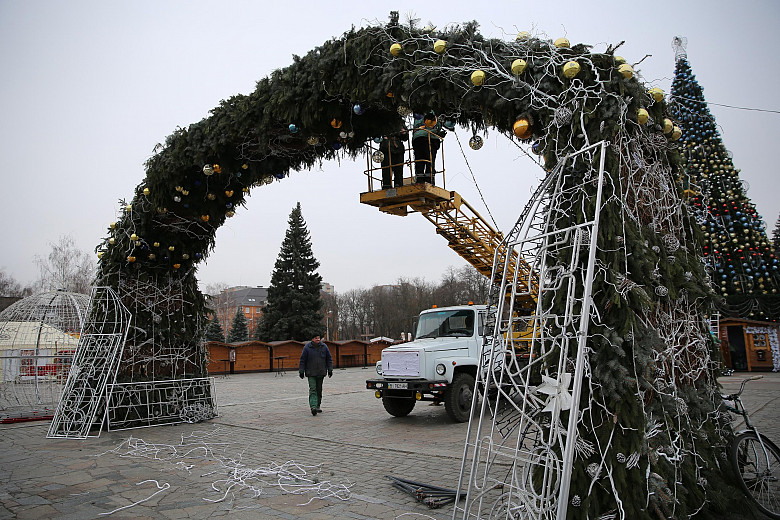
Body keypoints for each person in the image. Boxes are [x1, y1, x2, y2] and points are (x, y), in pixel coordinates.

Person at [412, 112, 454, 185]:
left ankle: (420, 179)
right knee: (429, 160)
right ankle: (429, 179)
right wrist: (438, 133)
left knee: (420, 161)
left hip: (418, 138)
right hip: (429, 138)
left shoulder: (419, 110)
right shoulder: (436, 111)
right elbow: (446, 124)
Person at [298, 334, 333, 416]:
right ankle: (313, 406)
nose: (318, 339)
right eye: (316, 338)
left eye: (319, 338)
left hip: (321, 372)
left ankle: (317, 406)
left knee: (319, 389)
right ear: (312, 339)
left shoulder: (324, 347)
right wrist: (301, 370)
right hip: (311, 372)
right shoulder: (307, 347)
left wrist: (330, 369)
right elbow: (302, 360)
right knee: (313, 389)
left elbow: (329, 358)